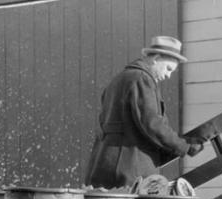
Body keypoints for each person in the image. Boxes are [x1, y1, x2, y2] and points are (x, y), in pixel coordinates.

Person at [85, 35, 204, 189]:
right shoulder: (142, 79)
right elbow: (152, 124)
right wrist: (184, 146)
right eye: (168, 68)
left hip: (103, 165)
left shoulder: (119, 79)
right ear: (156, 58)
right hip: (128, 171)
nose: (168, 75)